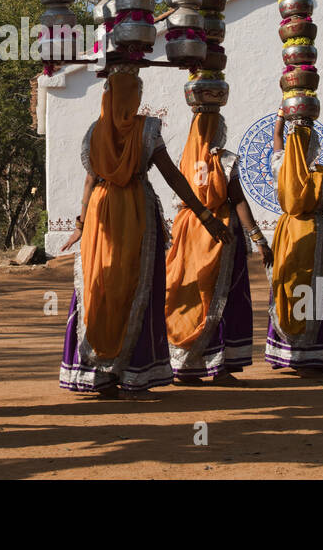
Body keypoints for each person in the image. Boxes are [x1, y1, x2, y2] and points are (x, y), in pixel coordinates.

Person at [60, 68, 230, 397]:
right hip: (135, 212)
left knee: (101, 286)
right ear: (134, 97)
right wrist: (204, 213)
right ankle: (133, 374)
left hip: (101, 214)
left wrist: (81, 225)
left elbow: (89, 181)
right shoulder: (147, 130)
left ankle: (99, 374)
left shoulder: (93, 133)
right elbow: (173, 177)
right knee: (135, 286)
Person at [265, 104, 323, 373]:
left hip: (287, 235)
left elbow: (277, 140)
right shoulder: (320, 175)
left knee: (291, 291)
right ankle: (317, 354)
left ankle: (294, 354)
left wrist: (282, 117)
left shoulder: (281, 165)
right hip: (317, 237)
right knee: (320, 295)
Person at [164, 111, 256, 385]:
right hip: (221, 231)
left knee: (189, 293)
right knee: (220, 297)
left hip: (188, 230)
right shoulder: (225, 160)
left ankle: (186, 364)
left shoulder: (185, 159)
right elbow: (238, 200)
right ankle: (218, 366)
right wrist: (258, 236)